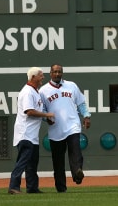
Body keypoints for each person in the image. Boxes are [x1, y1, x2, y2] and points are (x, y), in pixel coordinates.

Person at [39, 64, 91, 193]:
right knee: (58, 161)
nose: (57, 74)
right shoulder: (43, 91)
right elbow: (42, 110)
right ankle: (61, 188)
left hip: (72, 125)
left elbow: (81, 103)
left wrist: (86, 116)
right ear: (50, 73)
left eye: (59, 72)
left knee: (76, 151)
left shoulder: (71, 85)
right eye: (55, 72)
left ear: (62, 73)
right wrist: (46, 119)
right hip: (56, 129)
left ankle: (77, 173)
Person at [8, 67, 55, 195]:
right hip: (25, 134)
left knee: (32, 164)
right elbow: (29, 111)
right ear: (33, 77)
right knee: (22, 162)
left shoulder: (35, 92)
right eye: (41, 75)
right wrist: (47, 115)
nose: (43, 78)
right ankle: (13, 186)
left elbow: (34, 112)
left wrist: (46, 119)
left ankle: (32, 187)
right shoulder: (28, 92)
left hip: (32, 136)